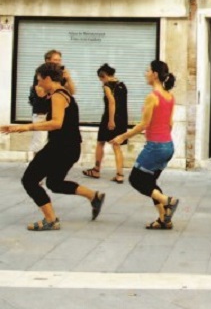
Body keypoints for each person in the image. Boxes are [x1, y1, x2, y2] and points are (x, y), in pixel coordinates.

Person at [2, 62, 105, 231]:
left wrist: (26, 127)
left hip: (61, 147)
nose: (38, 84)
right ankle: (94, 196)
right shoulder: (62, 94)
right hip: (69, 147)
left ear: (48, 78)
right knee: (55, 183)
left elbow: (56, 123)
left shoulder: (58, 95)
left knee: (29, 180)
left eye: (39, 80)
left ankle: (50, 220)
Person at [110, 60, 180, 230]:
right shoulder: (169, 97)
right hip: (167, 145)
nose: (145, 73)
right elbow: (170, 124)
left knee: (136, 179)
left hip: (155, 146)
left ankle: (169, 201)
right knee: (150, 183)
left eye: (147, 70)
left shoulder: (152, 96)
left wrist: (122, 137)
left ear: (155, 74)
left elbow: (143, 124)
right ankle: (164, 219)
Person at [82, 64, 128, 183]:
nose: (101, 82)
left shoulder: (108, 86)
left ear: (103, 76)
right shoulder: (122, 85)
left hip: (110, 118)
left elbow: (111, 103)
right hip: (122, 118)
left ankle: (96, 170)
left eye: (101, 79)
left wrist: (111, 120)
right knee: (116, 145)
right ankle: (120, 174)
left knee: (100, 143)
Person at [28, 50, 76, 159]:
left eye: (59, 60)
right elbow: (40, 92)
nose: (58, 62)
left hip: (55, 112)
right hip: (42, 111)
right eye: (55, 60)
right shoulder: (41, 74)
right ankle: (35, 166)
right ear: (47, 61)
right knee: (40, 142)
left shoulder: (61, 74)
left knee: (55, 142)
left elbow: (72, 92)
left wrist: (68, 78)